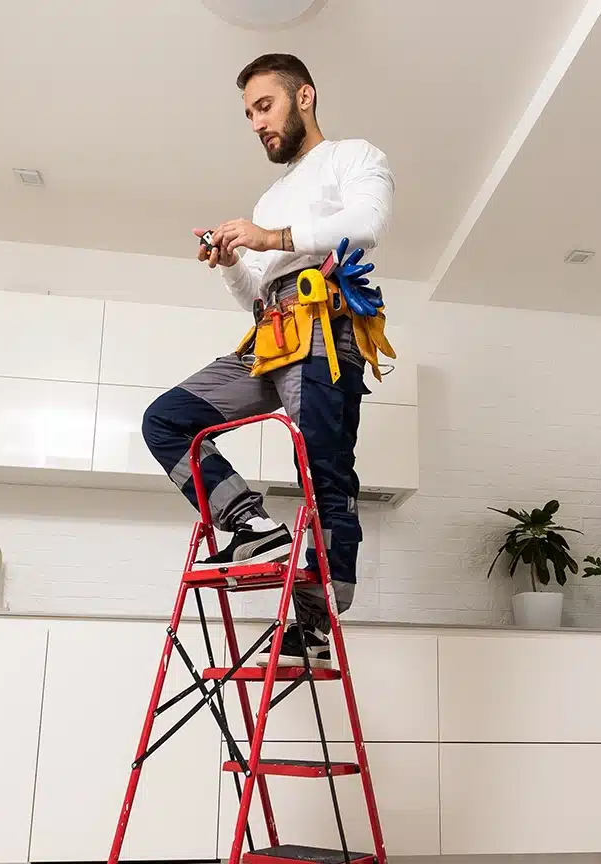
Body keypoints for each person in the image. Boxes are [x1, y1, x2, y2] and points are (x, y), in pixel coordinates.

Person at [141, 53, 394, 667]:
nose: (257, 122)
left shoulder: (354, 158)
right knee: (166, 420)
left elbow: (368, 222)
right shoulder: (271, 194)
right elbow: (256, 290)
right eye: (249, 113)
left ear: (303, 97)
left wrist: (271, 238)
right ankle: (251, 525)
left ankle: (316, 624)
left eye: (265, 106)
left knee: (323, 471)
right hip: (270, 333)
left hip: (324, 328)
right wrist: (233, 261)